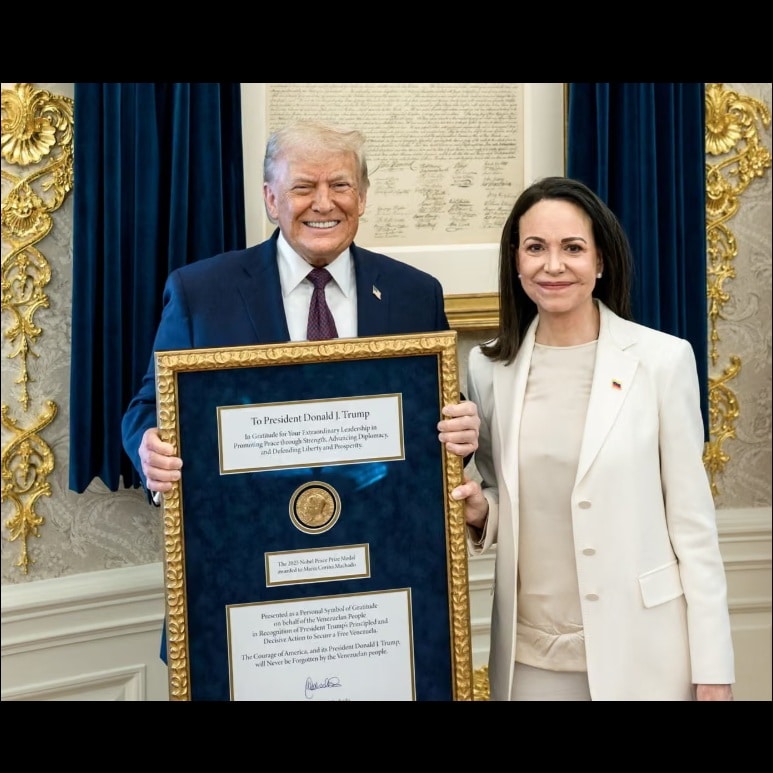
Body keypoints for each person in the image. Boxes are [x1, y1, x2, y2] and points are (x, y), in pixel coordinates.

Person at [451, 176, 735, 701]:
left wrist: (713, 669)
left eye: (572, 248)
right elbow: (499, 493)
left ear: (600, 261)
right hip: (529, 658)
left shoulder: (662, 361)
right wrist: (479, 512)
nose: (552, 266)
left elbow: (693, 526)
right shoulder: (488, 367)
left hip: (645, 651)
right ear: (515, 261)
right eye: (535, 248)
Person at [122, 119, 479, 503]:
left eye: (340, 185)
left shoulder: (414, 293)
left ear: (361, 197)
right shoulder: (201, 293)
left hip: (381, 525)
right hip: (247, 526)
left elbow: (438, 412)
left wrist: (461, 431)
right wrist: (150, 448)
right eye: (303, 187)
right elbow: (151, 406)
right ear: (272, 200)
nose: (324, 203)